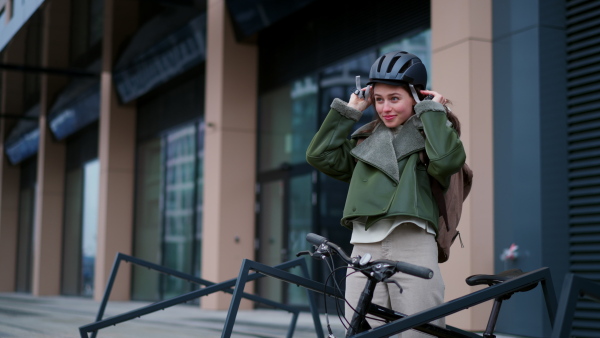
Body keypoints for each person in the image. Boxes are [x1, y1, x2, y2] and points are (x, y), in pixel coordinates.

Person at [306, 51, 466, 337]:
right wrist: (350, 110)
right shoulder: (364, 140)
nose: (385, 108)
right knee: (361, 331)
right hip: (363, 249)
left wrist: (431, 111)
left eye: (394, 98)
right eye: (378, 100)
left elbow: (446, 162)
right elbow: (320, 155)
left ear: (416, 98)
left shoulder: (434, 134)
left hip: (412, 242)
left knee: (420, 333)